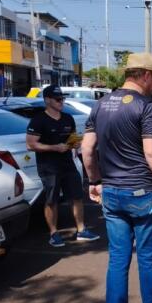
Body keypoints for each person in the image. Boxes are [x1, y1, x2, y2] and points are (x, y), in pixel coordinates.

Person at [81, 52, 152, 303]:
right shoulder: (146, 106)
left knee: (118, 260)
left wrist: (94, 181)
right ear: (145, 75)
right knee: (149, 259)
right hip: (142, 193)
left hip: (111, 193)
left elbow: (87, 150)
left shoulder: (100, 105)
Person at [26, 85, 99, 248]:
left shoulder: (67, 118)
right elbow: (31, 145)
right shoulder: (39, 120)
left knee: (77, 196)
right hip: (49, 166)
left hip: (68, 163)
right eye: (58, 99)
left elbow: (71, 139)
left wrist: (76, 143)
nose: (61, 102)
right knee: (52, 200)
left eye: (63, 99)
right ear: (47, 100)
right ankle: (54, 233)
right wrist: (53, 147)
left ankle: (81, 230)